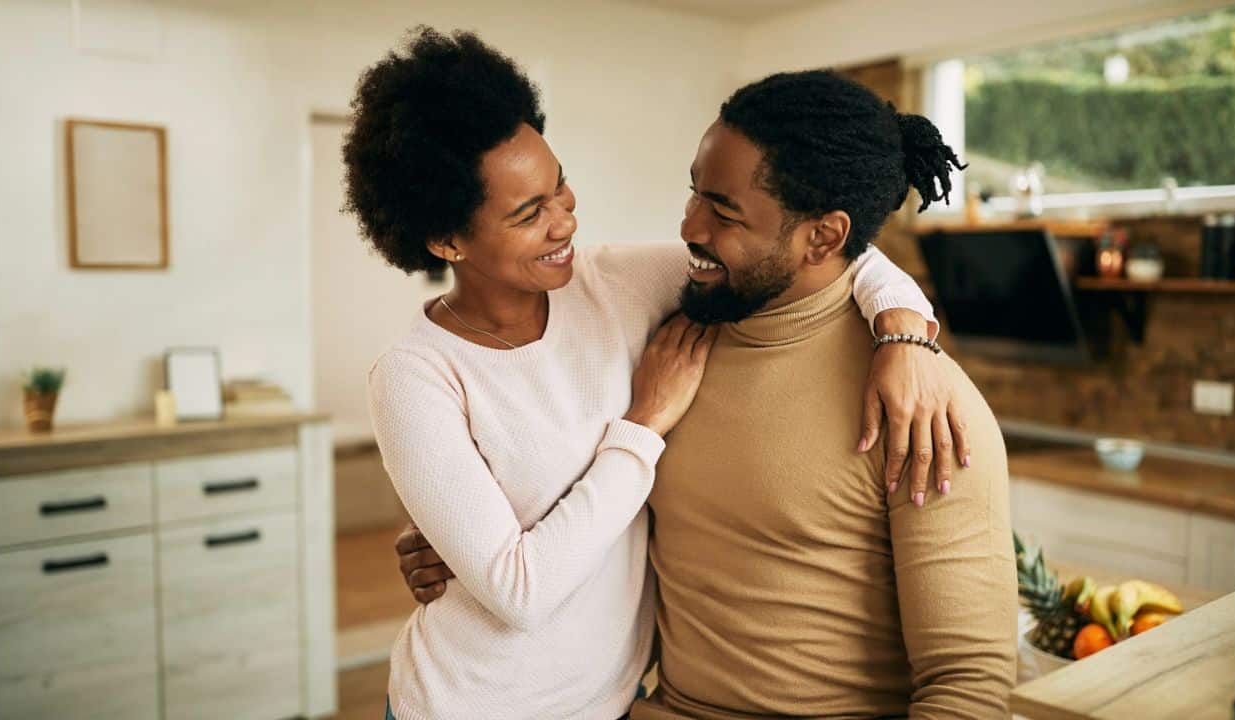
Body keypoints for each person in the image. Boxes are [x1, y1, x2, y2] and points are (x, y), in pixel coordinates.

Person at [354, 28, 971, 720]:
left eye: (560, 188)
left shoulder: (614, 285)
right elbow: (519, 591)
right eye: (529, 214)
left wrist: (900, 330)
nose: (564, 222)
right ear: (447, 241)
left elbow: (814, 253)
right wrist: (643, 428)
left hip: (617, 705)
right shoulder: (413, 377)